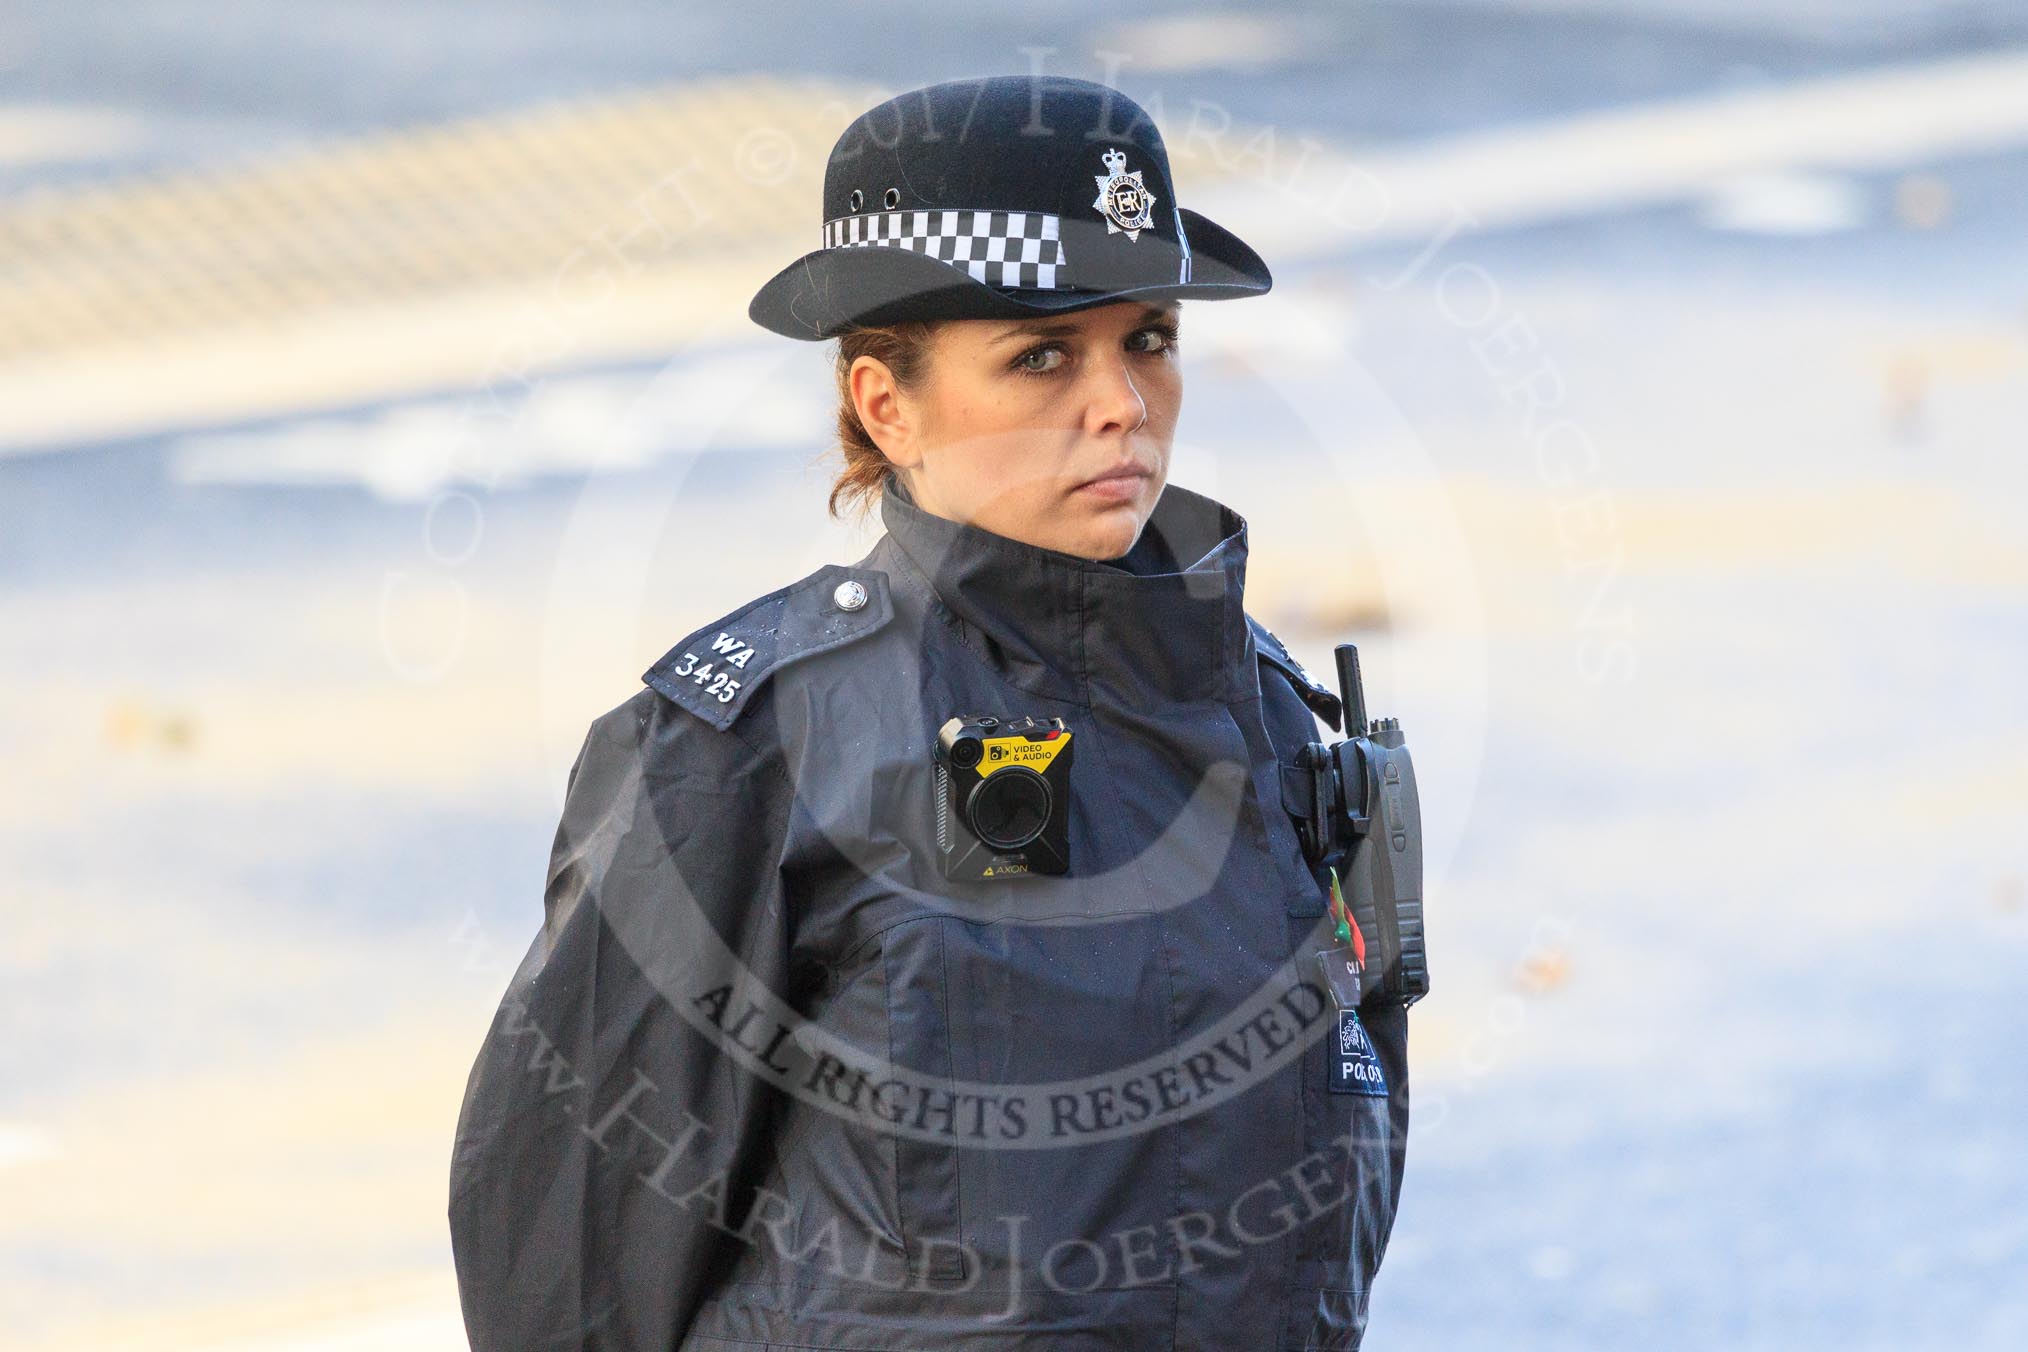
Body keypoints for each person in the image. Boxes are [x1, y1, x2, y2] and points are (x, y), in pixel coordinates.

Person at [449, 73, 1413, 1350]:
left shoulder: (1275, 715)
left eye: (1149, 339)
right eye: (1041, 356)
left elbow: (1339, 1180)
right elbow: (567, 1258)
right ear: (884, 405)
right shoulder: (743, 747)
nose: (1121, 400)